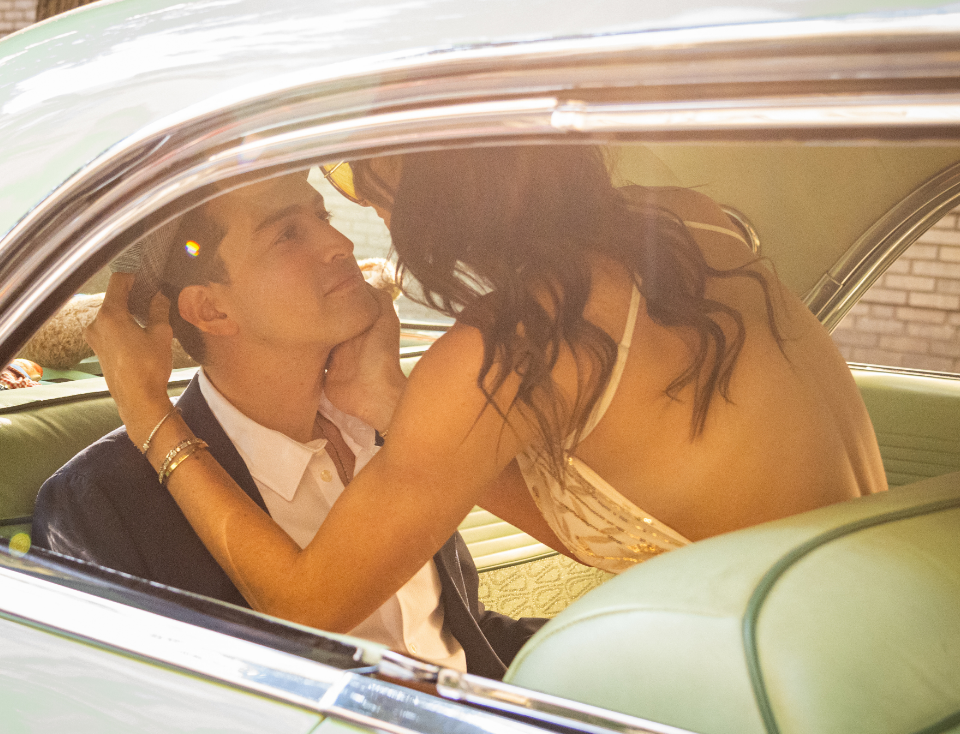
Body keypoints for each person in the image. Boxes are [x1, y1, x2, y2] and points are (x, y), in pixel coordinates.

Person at [87, 145, 888, 639]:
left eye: (353, 176)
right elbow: (655, 525)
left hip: (780, 685)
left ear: (438, 180)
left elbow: (306, 605)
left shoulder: (511, 348)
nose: (354, 210)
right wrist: (395, 405)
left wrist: (146, 408)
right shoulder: (688, 223)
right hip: (878, 624)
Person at [34, 170, 542, 679]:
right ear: (211, 308)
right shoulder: (103, 500)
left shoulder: (392, 425)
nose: (340, 242)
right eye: (287, 234)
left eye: (321, 216)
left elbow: (456, 637)